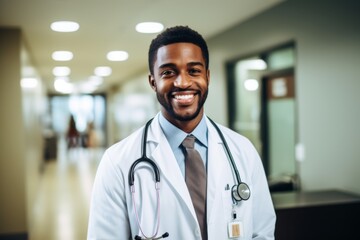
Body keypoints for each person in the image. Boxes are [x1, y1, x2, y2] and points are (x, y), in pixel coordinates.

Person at [87, 26, 276, 240]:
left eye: (194, 71)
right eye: (168, 72)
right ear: (153, 82)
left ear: (208, 76)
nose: (183, 82)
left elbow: (263, 233)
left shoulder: (243, 150)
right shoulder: (117, 162)